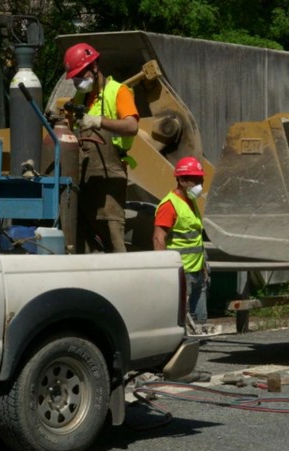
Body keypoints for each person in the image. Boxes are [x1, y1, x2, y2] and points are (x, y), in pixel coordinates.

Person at [63, 42, 139, 253]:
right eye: (75, 78)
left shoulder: (118, 92)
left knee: (113, 233)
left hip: (109, 179)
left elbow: (132, 126)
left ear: (94, 66)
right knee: (82, 239)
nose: (78, 82)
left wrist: (99, 121)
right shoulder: (80, 97)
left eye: (81, 75)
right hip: (83, 180)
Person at [153, 156, 214, 335]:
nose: (199, 185)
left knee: (199, 322)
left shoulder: (191, 203)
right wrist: (165, 270)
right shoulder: (169, 205)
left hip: (197, 271)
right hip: (181, 272)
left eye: (200, 180)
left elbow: (195, 239)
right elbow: (158, 238)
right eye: (194, 180)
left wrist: (203, 265)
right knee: (181, 324)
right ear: (181, 180)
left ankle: (197, 354)